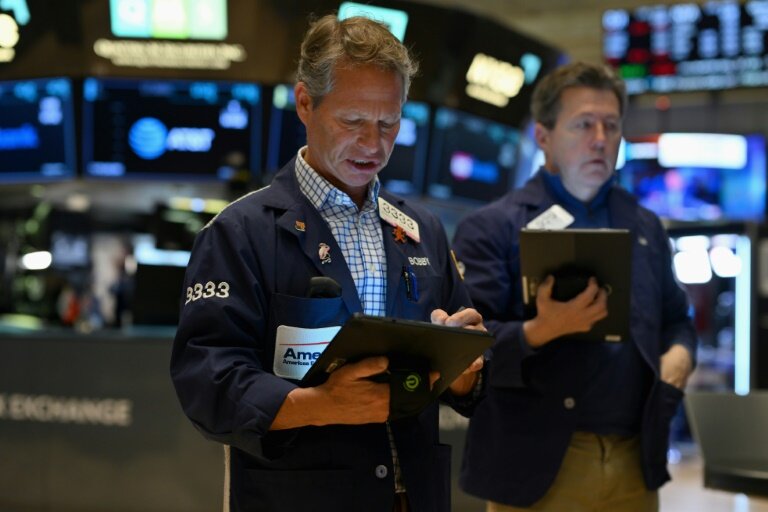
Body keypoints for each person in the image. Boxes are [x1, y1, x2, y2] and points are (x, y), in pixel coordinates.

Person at [170, 14, 484, 512]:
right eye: (353, 121)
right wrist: (318, 407)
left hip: (415, 494)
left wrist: (465, 372)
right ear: (304, 103)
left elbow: (465, 370)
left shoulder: (421, 229)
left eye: (388, 123)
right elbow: (208, 381)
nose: (374, 145)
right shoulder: (240, 232)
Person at [452, 62, 698, 512]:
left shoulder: (644, 225)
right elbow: (465, 349)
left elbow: (677, 319)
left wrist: (678, 359)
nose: (601, 138)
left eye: (611, 125)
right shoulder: (492, 227)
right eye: (584, 124)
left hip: (633, 459)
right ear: (543, 136)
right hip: (536, 465)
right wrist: (539, 331)